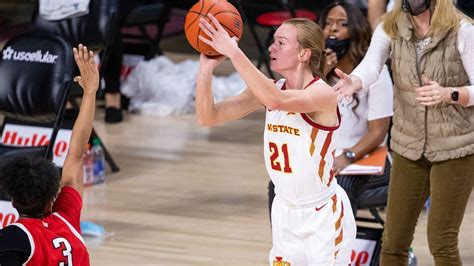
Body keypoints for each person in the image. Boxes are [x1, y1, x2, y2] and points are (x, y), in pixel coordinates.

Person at [196, 15, 356, 265]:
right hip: (284, 210)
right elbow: (208, 116)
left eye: (281, 42)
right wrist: (205, 71)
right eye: (273, 41)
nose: (271, 47)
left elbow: (277, 101)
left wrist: (234, 52)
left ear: (304, 54)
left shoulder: (322, 93)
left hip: (322, 215)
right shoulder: (267, 91)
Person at [333, 0, 474, 264]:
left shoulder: (463, 29)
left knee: (441, 241)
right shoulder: (391, 24)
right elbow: (372, 64)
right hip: (409, 145)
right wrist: (355, 81)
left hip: (455, 147)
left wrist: (450, 93)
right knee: (393, 242)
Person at [0, 44, 99, 265]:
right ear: (51, 201)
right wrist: (90, 92)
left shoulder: (12, 238)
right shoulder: (67, 218)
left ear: (13, 202)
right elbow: (76, 150)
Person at [323, 1, 393, 216]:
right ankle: (291, 248)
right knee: (278, 185)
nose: (332, 29)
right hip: (325, 157)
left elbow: (378, 131)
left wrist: (348, 157)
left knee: (340, 186)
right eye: (328, 23)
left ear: (356, 31)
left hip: (365, 157)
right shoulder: (315, 74)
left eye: (341, 24)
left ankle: (338, 248)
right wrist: (320, 75)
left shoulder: (375, 75)